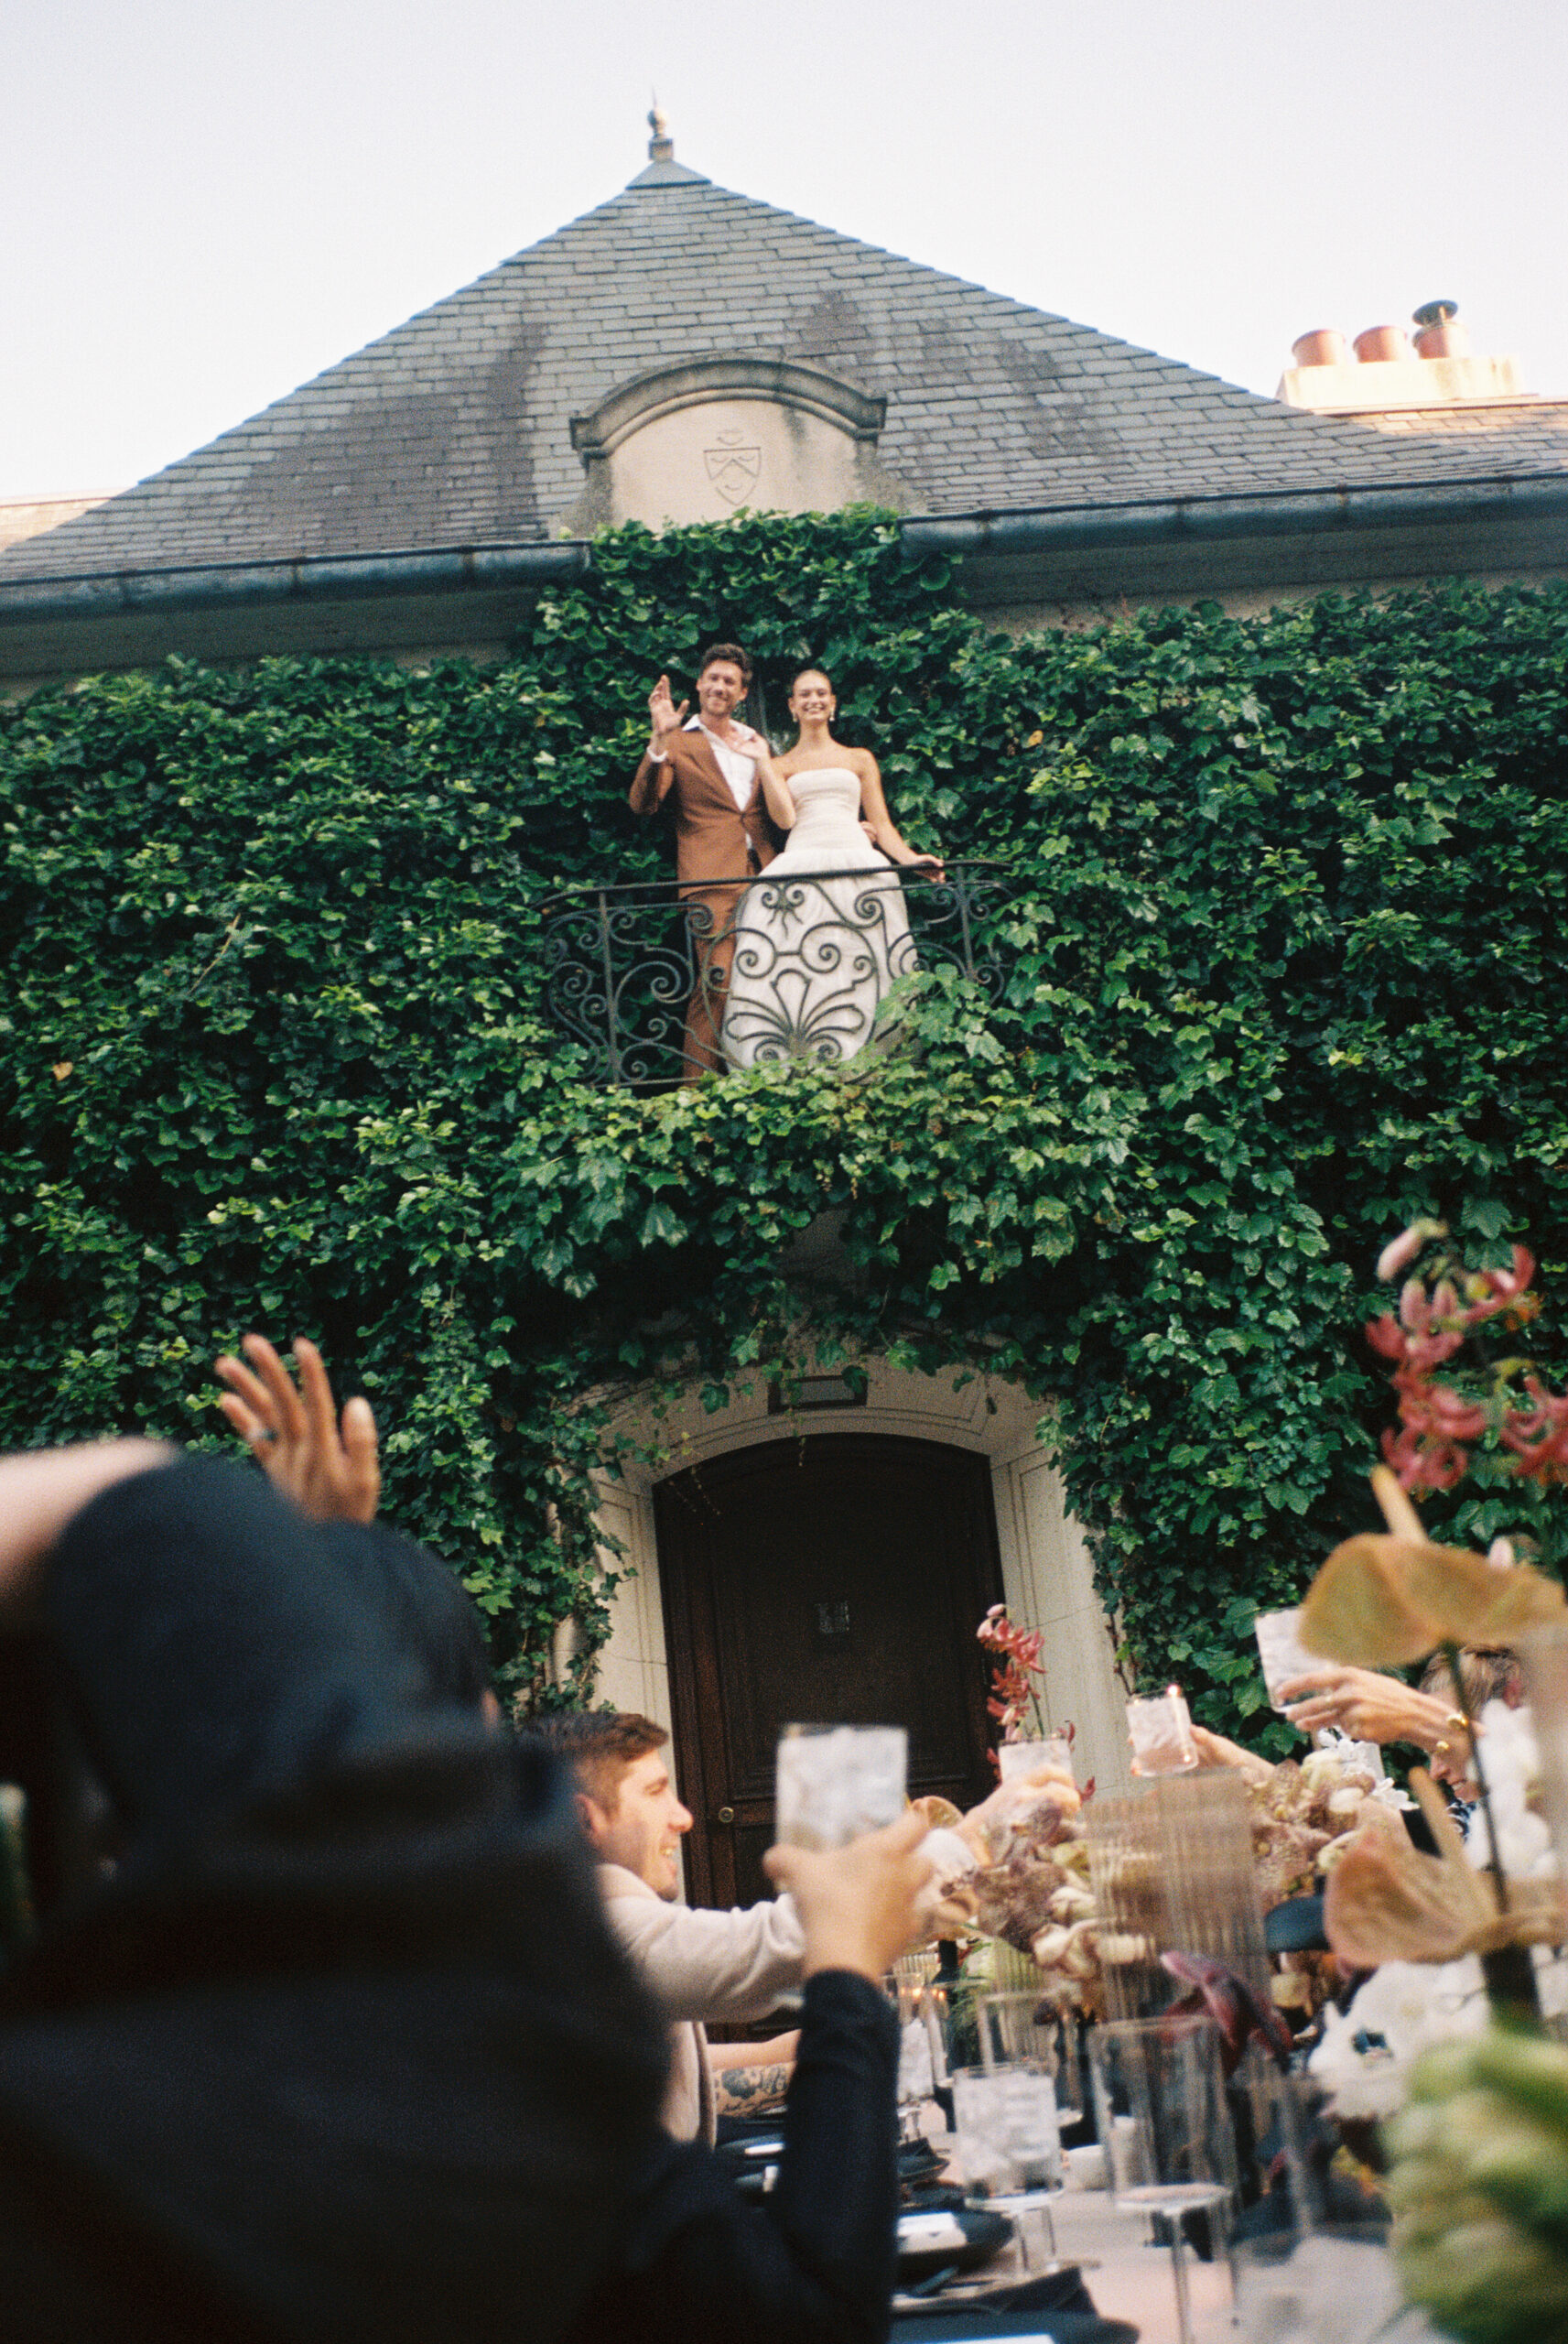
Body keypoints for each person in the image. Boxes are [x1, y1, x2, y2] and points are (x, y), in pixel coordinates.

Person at [534, 1709, 806, 2143]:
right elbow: (762, 1951)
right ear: (586, 1819)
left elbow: (674, 2077)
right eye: (656, 1792)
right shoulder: (596, 1929)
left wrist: (775, 2052)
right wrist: (942, 1860)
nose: (683, 1818)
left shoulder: (558, 1909)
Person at [721, 665, 944, 1070]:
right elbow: (785, 820)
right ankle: (807, 1060)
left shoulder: (859, 759)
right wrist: (763, 763)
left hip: (858, 861)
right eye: (804, 694)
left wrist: (911, 860)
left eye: (821, 693)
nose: (814, 700)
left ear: (833, 702)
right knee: (803, 958)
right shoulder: (782, 763)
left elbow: (882, 824)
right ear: (792, 706)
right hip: (804, 863)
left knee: (861, 957)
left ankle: (867, 1059)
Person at [629, 643, 779, 1080]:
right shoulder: (677, 739)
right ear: (698, 684)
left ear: (742, 694)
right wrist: (659, 740)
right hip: (711, 878)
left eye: (729, 681)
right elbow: (643, 803)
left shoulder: (755, 743)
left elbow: (775, 805)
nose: (719, 686)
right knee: (718, 980)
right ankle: (693, 1097)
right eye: (712, 678)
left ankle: (763, 1085)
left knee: (771, 979)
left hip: (768, 875)